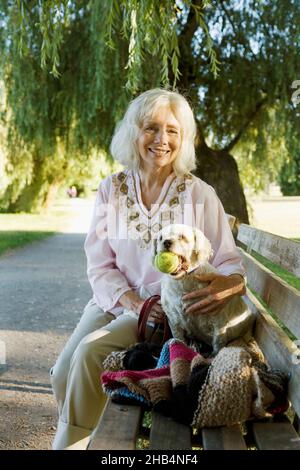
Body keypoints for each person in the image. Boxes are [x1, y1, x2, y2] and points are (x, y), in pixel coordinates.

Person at [50, 88, 246, 450]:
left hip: (166, 310)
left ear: (184, 139)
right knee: (62, 374)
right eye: (151, 128)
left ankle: (69, 447)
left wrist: (226, 286)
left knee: (90, 355)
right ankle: (89, 440)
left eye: (173, 130)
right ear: (133, 133)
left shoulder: (199, 194)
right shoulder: (112, 189)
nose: (162, 140)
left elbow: (230, 263)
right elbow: (100, 264)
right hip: (116, 300)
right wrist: (132, 303)